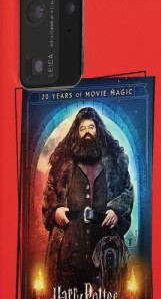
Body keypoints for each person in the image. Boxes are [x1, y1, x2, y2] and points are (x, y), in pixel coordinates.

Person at [42, 107, 134, 287]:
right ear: (76, 133)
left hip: (105, 259)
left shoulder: (116, 163)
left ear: (98, 130)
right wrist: (55, 210)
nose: (87, 132)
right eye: (82, 129)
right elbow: (49, 191)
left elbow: (128, 191)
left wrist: (117, 210)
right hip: (68, 257)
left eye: (91, 127)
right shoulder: (61, 165)